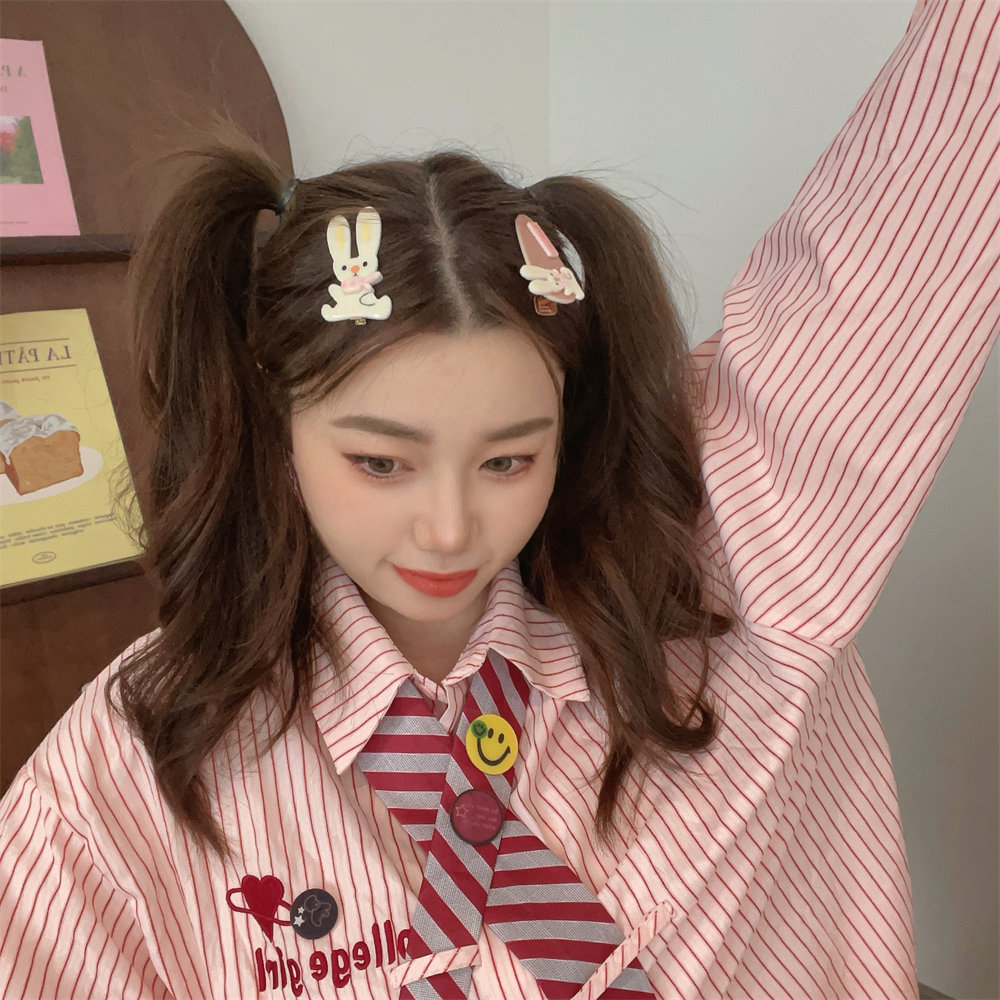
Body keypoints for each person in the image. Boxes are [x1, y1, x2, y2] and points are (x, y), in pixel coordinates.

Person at [1, 0, 997, 997]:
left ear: (568, 417)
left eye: (509, 461)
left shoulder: (722, 565)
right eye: (380, 463)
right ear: (277, 425)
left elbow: (930, 182)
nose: (449, 531)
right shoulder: (126, 775)